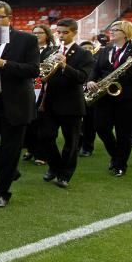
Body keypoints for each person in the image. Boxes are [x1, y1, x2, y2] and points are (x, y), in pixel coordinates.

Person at [0, 1, 41, 208]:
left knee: (11, 149)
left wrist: (4, 64)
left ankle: (1, 193)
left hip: (17, 101)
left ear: (9, 18)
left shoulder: (26, 39)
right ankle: (10, 170)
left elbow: (33, 70)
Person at [37, 19, 94, 188]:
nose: (61, 36)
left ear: (74, 32)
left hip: (71, 104)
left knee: (71, 141)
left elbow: (82, 78)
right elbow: (42, 73)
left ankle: (65, 174)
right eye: (59, 32)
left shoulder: (84, 54)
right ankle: (55, 167)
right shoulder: (52, 51)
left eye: (65, 32)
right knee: (45, 137)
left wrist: (64, 65)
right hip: (49, 102)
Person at [86, 20, 132, 177]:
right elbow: (95, 69)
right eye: (112, 29)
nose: (111, 31)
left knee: (123, 133)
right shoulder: (106, 49)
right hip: (104, 97)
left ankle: (120, 165)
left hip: (127, 99)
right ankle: (117, 156)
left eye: (116, 29)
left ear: (126, 32)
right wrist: (91, 80)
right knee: (101, 127)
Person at [23, 23, 56, 164]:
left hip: (45, 90)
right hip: (29, 88)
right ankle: (31, 149)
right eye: (34, 33)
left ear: (47, 35)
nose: (36, 35)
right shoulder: (28, 49)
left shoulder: (52, 51)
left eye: (40, 33)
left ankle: (41, 154)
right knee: (30, 122)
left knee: (43, 123)